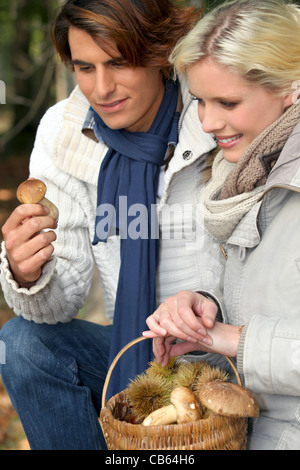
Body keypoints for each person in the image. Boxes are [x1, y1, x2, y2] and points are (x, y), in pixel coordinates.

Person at [0, 0, 222, 450]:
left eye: (119, 63)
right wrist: (30, 272)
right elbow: (61, 304)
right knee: (22, 342)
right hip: (134, 354)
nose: (101, 88)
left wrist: (208, 308)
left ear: (160, 52)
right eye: (85, 67)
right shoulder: (64, 132)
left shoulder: (217, 112)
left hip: (222, 354)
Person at [143, 0, 300, 450]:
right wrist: (206, 308)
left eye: (227, 102)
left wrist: (233, 340)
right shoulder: (246, 175)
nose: (208, 122)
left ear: (293, 89)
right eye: (200, 101)